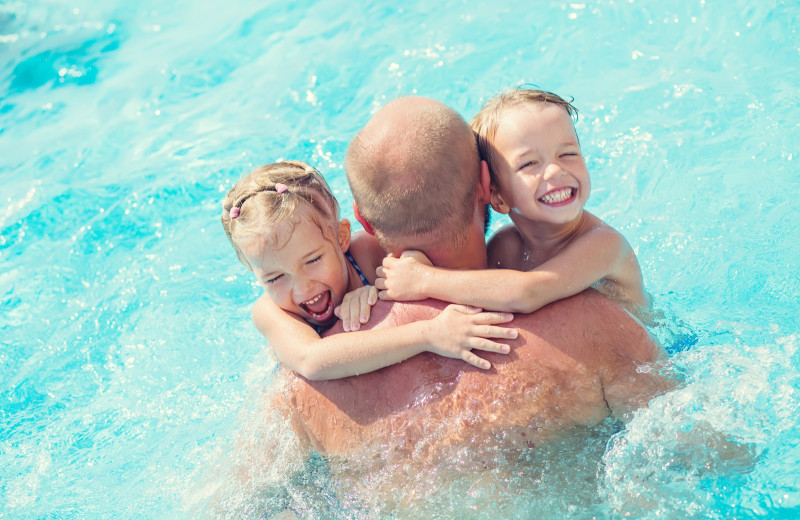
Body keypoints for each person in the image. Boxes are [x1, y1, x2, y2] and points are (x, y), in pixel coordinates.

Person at [242, 97, 671, 514]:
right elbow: (699, 449)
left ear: (360, 223)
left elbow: (238, 502)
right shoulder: (596, 326)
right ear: (489, 187)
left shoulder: (302, 392)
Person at [220, 160, 518, 380]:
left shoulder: (366, 253)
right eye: (273, 277)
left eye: (312, 261)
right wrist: (429, 334)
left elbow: (422, 262)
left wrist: (376, 290)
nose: (302, 288)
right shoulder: (270, 312)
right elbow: (312, 360)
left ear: (341, 237)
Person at [374, 88, 651, 320]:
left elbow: (525, 293)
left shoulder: (605, 245)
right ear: (497, 196)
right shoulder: (505, 248)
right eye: (529, 163)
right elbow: (469, 284)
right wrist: (414, 263)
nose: (556, 171)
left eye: (568, 154)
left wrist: (424, 279)